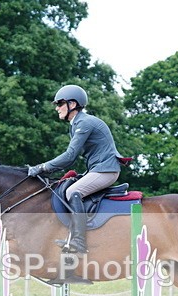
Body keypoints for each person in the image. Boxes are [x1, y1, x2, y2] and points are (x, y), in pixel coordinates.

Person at [27, 84, 124, 254]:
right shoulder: (76, 124)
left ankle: (79, 242)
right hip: (98, 169)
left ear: (72, 104)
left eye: (60, 103)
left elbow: (69, 156)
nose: (57, 108)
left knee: (73, 192)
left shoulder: (84, 123)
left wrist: (42, 167)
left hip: (105, 170)